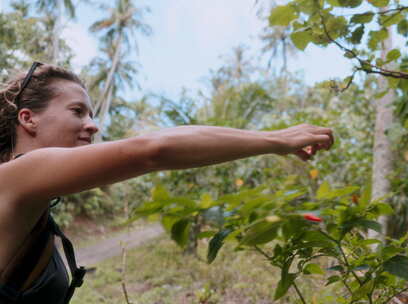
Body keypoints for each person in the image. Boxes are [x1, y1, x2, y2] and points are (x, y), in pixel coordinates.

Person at [0, 62, 334, 303]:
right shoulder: (17, 177)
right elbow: (153, 150)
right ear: (28, 118)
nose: (93, 125)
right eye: (78, 111)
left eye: (91, 114)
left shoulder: (34, 202)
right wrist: (275, 140)